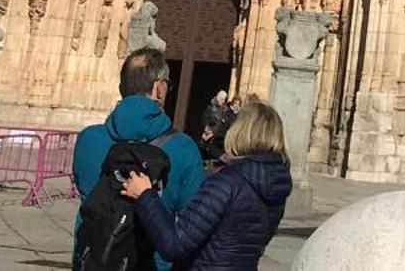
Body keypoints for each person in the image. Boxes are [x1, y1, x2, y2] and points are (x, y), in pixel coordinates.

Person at [120, 96, 292, 271]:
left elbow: (174, 245)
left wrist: (145, 195)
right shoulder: (277, 186)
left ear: (240, 131)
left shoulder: (227, 183)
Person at [72, 48, 206, 271]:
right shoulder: (183, 148)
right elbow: (192, 219)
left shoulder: (88, 139)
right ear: (160, 88)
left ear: (122, 86)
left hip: (93, 258)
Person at [199, 91, 237, 164]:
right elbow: (204, 121)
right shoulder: (210, 108)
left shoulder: (225, 110)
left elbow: (230, 121)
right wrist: (208, 130)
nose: (223, 101)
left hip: (220, 139)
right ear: (217, 98)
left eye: (224, 99)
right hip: (209, 138)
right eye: (222, 99)